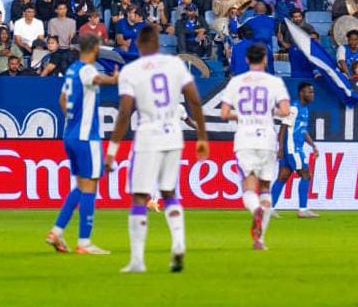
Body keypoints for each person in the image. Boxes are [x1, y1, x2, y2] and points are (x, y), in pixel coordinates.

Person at [105, 24, 209, 273]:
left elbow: (124, 112)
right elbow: (194, 100)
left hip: (148, 137)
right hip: (173, 136)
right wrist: (202, 136)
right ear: (158, 43)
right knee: (169, 192)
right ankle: (179, 243)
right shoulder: (174, 65)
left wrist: (111, 150)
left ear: (138, 45)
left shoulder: (131, 71)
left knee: (140, 196)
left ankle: (137, 260)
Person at [46, 35, 120, 255]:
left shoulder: (71, 70)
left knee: (80, 185)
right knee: (90, 185)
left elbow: (62, 99)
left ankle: (56, 231)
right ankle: (84, 242)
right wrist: (113, 80)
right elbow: (96, 78)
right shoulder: (87, 69)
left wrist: (72, 119)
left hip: (70, 135)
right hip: (87, 137)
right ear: (95, 49)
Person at [220, 42, 291, 250]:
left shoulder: (236, 82)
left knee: (249, 188)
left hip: (245, 139)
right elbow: (285, 111)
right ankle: (259, 240)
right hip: (267, 139)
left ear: (246, 59)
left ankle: (255, 210)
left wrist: (243, 114)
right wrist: (267, 112)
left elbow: (224, 113)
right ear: (266, 59)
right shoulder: (274, 82)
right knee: (265, 188)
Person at [271, 81, 319, 218]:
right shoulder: (294, 109)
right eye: (309, 92)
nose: (312, 94)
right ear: (301, 93)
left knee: (283, 176)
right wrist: (281, 148)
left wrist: (313, 145)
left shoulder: (305, 109)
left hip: (293, 148)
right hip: (293, 149)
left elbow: (302, 131)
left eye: (313, 92)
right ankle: (303, 210)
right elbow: (283, 128)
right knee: (306, 174)